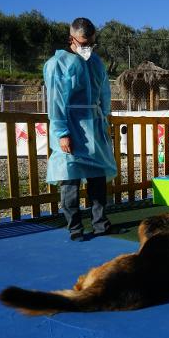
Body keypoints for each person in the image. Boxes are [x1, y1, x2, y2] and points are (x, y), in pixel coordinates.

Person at [44, 17, 117, 241]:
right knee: (69, 179)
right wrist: (61, 133)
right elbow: (55, 101)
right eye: (83, 43)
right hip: (71, 125)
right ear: (71, 39)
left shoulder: (96, 63)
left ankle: (100, 223)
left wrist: (104, 118)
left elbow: (104, 91)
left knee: (97, 177)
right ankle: (75, 228)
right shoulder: (58, 64)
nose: (88, 48)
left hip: (94, 126)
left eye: (91, 44)